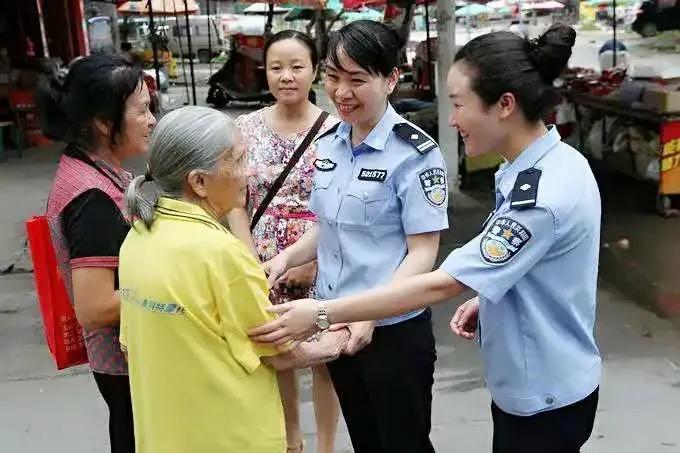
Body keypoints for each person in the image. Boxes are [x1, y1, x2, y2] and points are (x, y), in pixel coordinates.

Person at [251, 23, 602, 453]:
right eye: (334, 77)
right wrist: (492, 295)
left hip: (541, 393)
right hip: (531, 381)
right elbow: (534, 260)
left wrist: (322, 313)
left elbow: (442, 278)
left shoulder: (540, 195)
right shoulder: (538, 166)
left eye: (458, 104)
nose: (451, 119)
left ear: (505, 105)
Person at [252, 20, 450, 453]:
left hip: (392, 331)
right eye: (333, 78)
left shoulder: (415, 153)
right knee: (364, 439)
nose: (342, 92)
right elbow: (331, 225)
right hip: (336, 320)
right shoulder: (332, 142)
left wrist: (372, 314)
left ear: (391, 79)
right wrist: (285, 259)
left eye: (357, 80)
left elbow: (423, 252)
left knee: (404, 443)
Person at [118, 106, 348, 453]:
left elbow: (128, 346)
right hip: (230, 435)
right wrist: (335, 340)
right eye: (238, 161)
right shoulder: (222, 254)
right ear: (198, 181)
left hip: (166, 435)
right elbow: (278, 354)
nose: (249, 172)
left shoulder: (137, 238)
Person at [227, 30, 342, 453]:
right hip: (258, 252)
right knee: (278, 351)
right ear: (266, 72)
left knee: (324, 355)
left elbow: (339, 207)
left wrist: (309, 260)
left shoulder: (337, 131)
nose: (286, 76)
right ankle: (291, 438)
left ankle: (326, 445)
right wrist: (251, 257)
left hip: (322, 252)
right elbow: (235, 201)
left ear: (315, 70)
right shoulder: (244, 128)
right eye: (276, 67)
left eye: (297, 66)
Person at [39, 54, 156, 453]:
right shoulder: (91, 197)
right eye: (141, 110)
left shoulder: (95, 170)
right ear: (105, 123)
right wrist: (175, 292)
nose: (152, 119)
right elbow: (94, 306)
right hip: (124, 363)